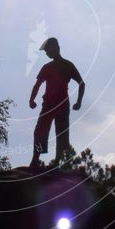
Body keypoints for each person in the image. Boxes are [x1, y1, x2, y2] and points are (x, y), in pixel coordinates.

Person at [29, 38, 85, 168]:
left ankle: (56, 163)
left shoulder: (68, 65)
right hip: (48, 103)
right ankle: (35, 160)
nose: (47, 53)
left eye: (48, 50)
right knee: (40, 131)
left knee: (61, 132)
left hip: (62, 104)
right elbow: (37, 84)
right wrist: (31, 99)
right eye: (46, 51)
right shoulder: (47, 67)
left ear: (55, 48)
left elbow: (82, 83)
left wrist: (79, 102)